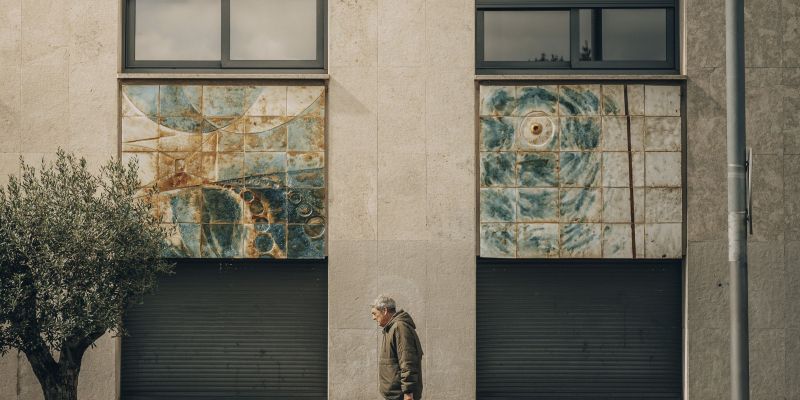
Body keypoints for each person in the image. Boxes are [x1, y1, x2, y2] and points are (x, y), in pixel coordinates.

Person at [370, 295, 424, 400]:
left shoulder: (400, 327)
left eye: (374, 313)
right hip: (395, 395)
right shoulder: (391, 328)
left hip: (401, 395)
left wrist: (408, 392)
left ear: (385, 310)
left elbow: (407, 361)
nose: (373, 318)